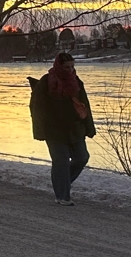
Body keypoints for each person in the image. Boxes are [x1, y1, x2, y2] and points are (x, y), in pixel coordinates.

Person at [29, 52, 96, 206]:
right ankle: (63, 196)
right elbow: (36, 108)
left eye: (72, 66)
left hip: (75, 129)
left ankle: (62, 182)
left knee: (82, 157)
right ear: (59, 66)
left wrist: (89, 128)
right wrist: (39, 130)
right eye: (67, 67)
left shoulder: (77, 82)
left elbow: (85, 105)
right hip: (54, 131)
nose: (70, 70)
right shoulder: (46, 82)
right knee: (61, 162)